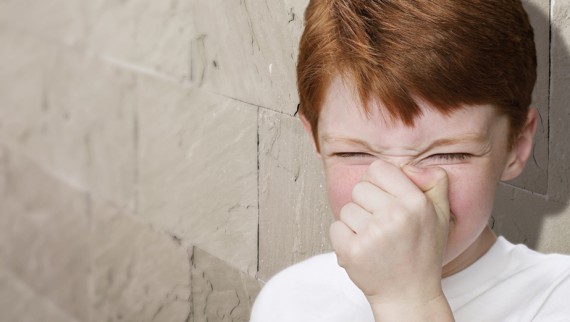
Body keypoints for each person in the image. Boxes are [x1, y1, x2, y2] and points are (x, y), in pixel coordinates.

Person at [251, 0, 570, 321]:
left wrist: (408, 302)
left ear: (516, 145)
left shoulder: (560, 300)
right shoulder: (287, 300)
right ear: (317, 141)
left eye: (449, 154)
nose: (402, 193)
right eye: (354, 153)